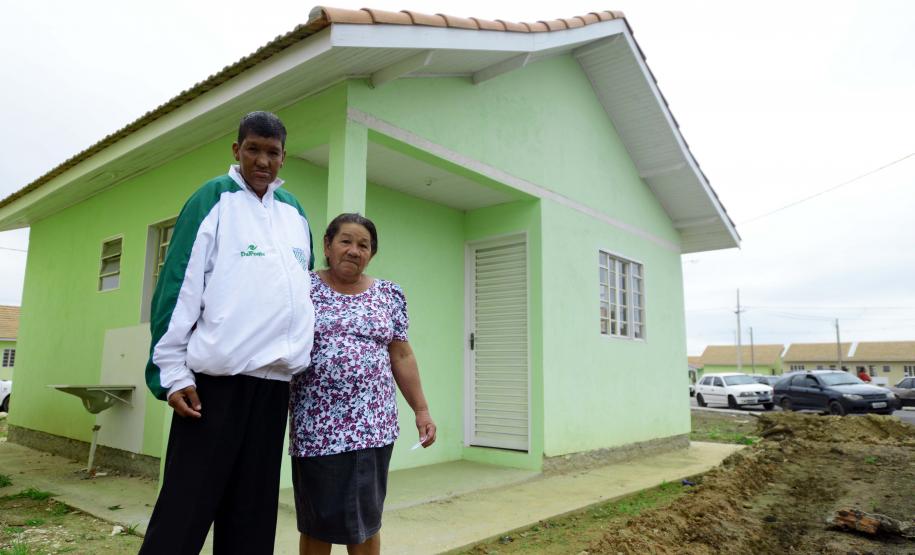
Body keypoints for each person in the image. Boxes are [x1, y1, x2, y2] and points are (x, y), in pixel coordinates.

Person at [140, 111, 316, 554]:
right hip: (214, 389)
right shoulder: (212, 200)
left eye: (272, 152)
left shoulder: (294, 213)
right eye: (253, 149)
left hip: (273, 389)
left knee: (251, 518)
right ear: (237, 150)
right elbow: (178, 286)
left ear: (284, 157)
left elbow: (301, 292)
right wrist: (172, 373)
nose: (263, 161)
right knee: (184, 511)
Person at [289, 213, 437, 555]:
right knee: (317, 523)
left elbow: (401, 355)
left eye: (363, 245)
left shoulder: (389, 294)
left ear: (371, 254)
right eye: (346, 241)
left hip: (373, 427)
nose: (354, 250)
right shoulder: (302, 288)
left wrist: (422, 410)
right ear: (327, 245)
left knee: (366, 523)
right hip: (316, 429)